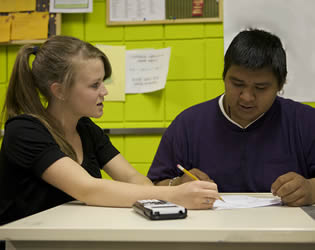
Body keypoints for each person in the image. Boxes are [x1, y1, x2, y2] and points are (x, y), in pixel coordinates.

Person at [0, 36, 220, 225]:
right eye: (94, 85)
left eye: (103, 82)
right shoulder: (24, 131)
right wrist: (175, 195)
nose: (104, 91)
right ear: (59, 91)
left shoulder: (86, 129)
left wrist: (169, 192)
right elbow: (88, 189)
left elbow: (133, 177)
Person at [147, 29, 315, 207]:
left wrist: (311, 190)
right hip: (207, 231)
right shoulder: (188, 124)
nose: (246, 97)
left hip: (287, 232)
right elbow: (153, 187)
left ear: (280, 85)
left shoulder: (305, 122)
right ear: (224, 76)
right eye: (237, 84)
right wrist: (177, 186)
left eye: (261, 87)